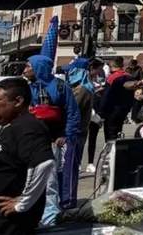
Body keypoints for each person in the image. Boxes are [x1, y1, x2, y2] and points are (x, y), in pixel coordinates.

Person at [23, 56, 79, 227]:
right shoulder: (27, 88)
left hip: (52, 141)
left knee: (49, 180)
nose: (25, 70)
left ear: (38, 68)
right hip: (30, 140)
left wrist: (65, 135)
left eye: (28, 67)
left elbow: (72, 114)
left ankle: (50, 217)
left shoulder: (61, 87)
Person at [0, 78, 55, 235]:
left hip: (11, 222)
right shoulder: (9, 126)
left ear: (18, 101)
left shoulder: (27, 127)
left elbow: (43, 163)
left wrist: (23, 202)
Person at [59, 59, 93, 210]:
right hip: (72, 132)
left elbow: (71, 109)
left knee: (70, 167)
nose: (67, 73)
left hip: (76, 133)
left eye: (70, 71)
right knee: (64, 166)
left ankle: (69, 200)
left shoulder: (83, 89)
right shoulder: (74, 87)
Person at [84, 61, 105, 173]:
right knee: (81, 139)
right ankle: (77, 163)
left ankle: (90, 162)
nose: (98, 72)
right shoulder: (84, 82)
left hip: (96, 113)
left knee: (93, 138)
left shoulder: (96, 81)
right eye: (97, 69)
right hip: (87, 114)